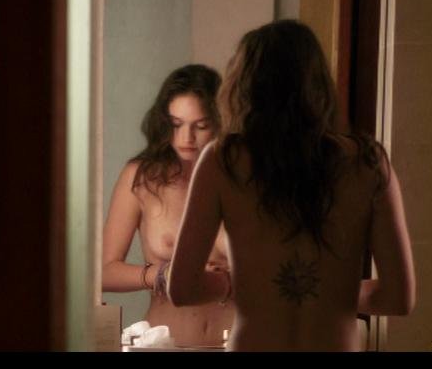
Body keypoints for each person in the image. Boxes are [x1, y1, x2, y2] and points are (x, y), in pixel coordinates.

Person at [167, 20, 415, 351]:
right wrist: (330, 291)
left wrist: (237, 284)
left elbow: (182, 289)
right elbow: (398, 298)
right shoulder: (367, 162)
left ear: (243, 87)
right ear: (318, 84)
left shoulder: (223, 160)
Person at [102, 64, 234, 347]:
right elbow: (104, 272)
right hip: (167, 342)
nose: (186, 138)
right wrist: (159, 274)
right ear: (163, 123)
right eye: (176, 124)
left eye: (200, 126)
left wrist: (230, 279)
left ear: (221, 122)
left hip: (237, 340)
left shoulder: (243, 180)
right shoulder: (142, 178)